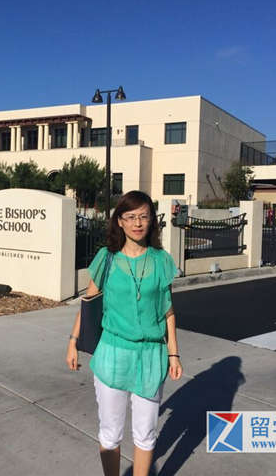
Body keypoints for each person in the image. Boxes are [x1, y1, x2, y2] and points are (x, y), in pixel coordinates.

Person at [66, 190, 183, 476]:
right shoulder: (106, 258)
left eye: (143, 216)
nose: (137, 223)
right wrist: (73, 341)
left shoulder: (161, 260)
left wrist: (174, 353)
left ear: (152, 220)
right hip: (112, 354)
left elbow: (168, 310)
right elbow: (89, 304)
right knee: (110, 433)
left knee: (146, 434)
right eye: (130, 217)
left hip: (150, 356)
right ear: (119, 221)